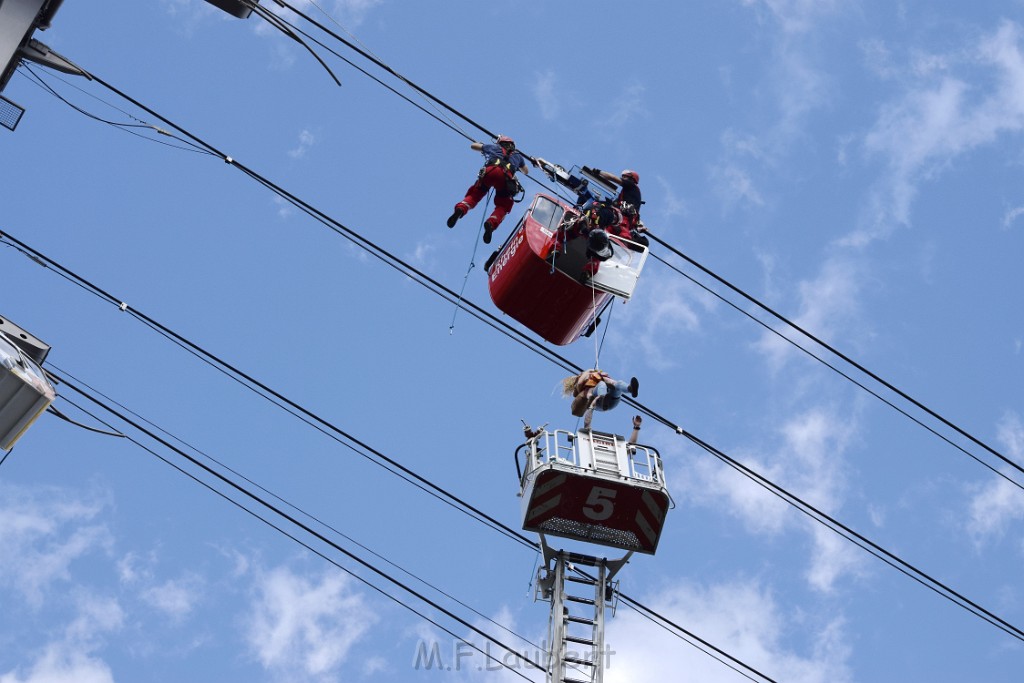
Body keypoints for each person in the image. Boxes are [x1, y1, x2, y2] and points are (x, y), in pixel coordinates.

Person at [447, 135, 532, 244]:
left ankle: (461, 209)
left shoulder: (494, 148)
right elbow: (526, 171)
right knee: (503, 205)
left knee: (475, 194)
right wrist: (518, 165)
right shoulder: (518, 156)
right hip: (506, 178)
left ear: (500, 143)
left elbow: (473, 146)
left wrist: (482, 145)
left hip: (491, 171)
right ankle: (491, 223)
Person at [563, 369, 639, 431]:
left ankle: (630, 389)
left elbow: (612, 382)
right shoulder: (584, 390)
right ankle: (602, 398)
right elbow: (584, 390)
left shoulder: (600, 378)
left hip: (612, 400)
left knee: (618, 383)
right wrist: (587, 372)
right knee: (601, 384)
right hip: (599, 403)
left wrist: (598, 374)